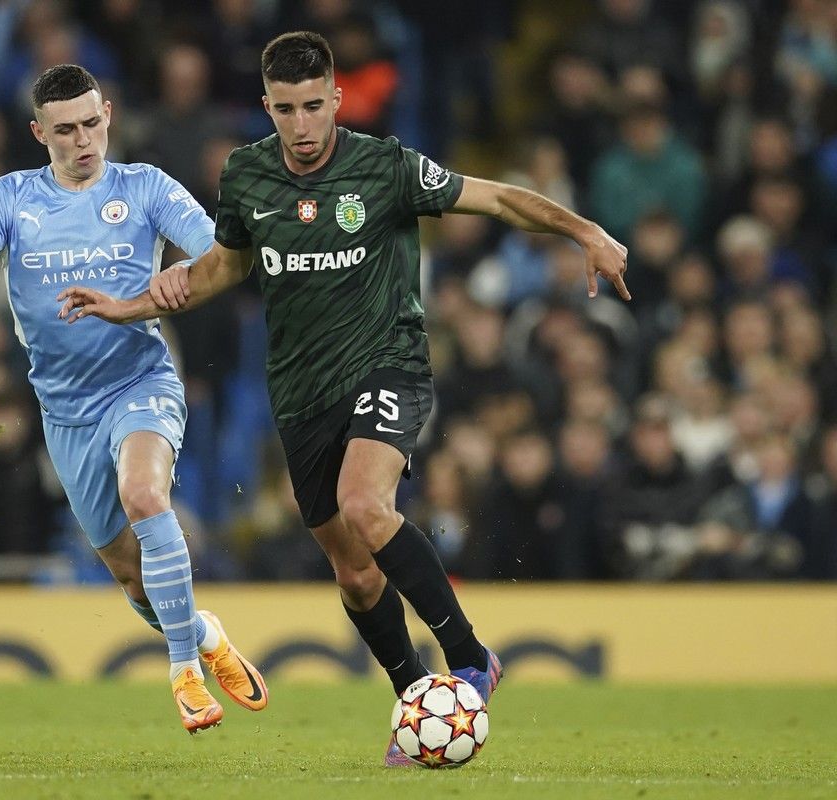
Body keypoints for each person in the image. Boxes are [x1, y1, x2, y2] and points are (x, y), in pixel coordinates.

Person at [55, 32, 628, 764]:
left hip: (389, 364)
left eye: (312, 107)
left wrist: (584, 230)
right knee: (355, 573)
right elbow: (223, 268)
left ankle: (470, 656)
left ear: (336, 99)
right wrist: (132, 305)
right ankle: (416, 698)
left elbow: (496, 200)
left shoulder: (384, 167)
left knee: (365, 504)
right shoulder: (247, 176)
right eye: (285, 110)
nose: (300, 126)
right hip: (300, 394)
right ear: (267, 106)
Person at [0, 64, 267, 734]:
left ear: (109, 114)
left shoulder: (146, 188)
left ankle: (184, 673)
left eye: (92, 123)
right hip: (65, 412)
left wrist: (182, 276)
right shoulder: (9, 199)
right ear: (38, 133)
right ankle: (204, 636)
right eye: (66, 130)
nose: (83, 140)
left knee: (145, 495)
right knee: (133, 580)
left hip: (140, 381)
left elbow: (222, 254)